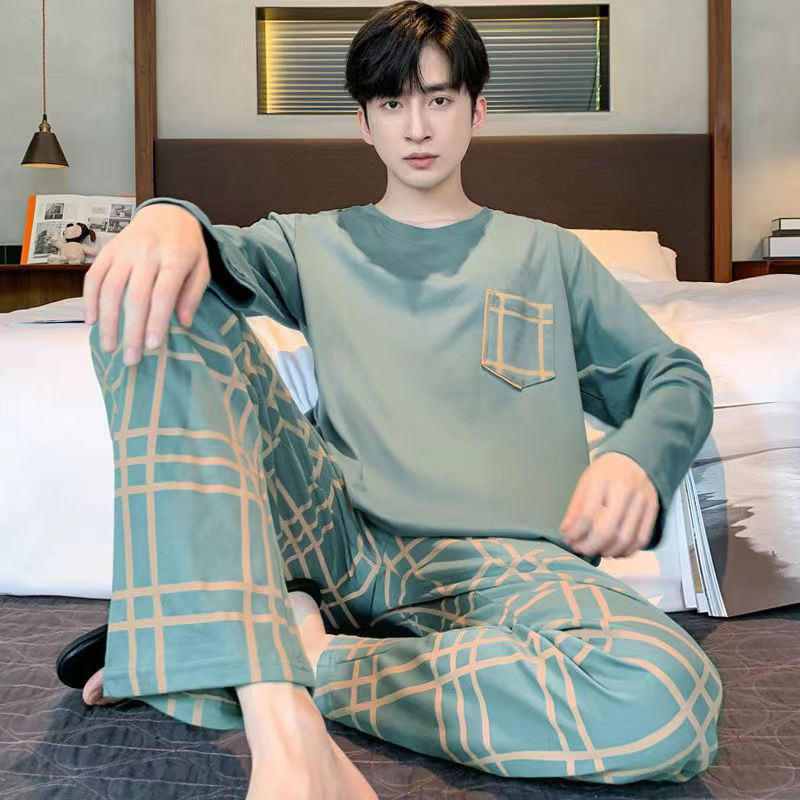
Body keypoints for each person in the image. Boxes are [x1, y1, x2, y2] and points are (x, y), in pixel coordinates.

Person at [72, 1, 722, 796]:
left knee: (663, 699)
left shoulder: (549, 254)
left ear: (477, 113)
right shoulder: (310, 241)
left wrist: (636, 455)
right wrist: (166, 218)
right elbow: (206, 256)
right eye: (392, 103)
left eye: (439, 100)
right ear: (365, 123)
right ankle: (276, 710)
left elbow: (674, 376)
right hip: (337, 547)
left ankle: (287, 656)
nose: (417, 128)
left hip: (509, 566)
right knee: (149, 298)